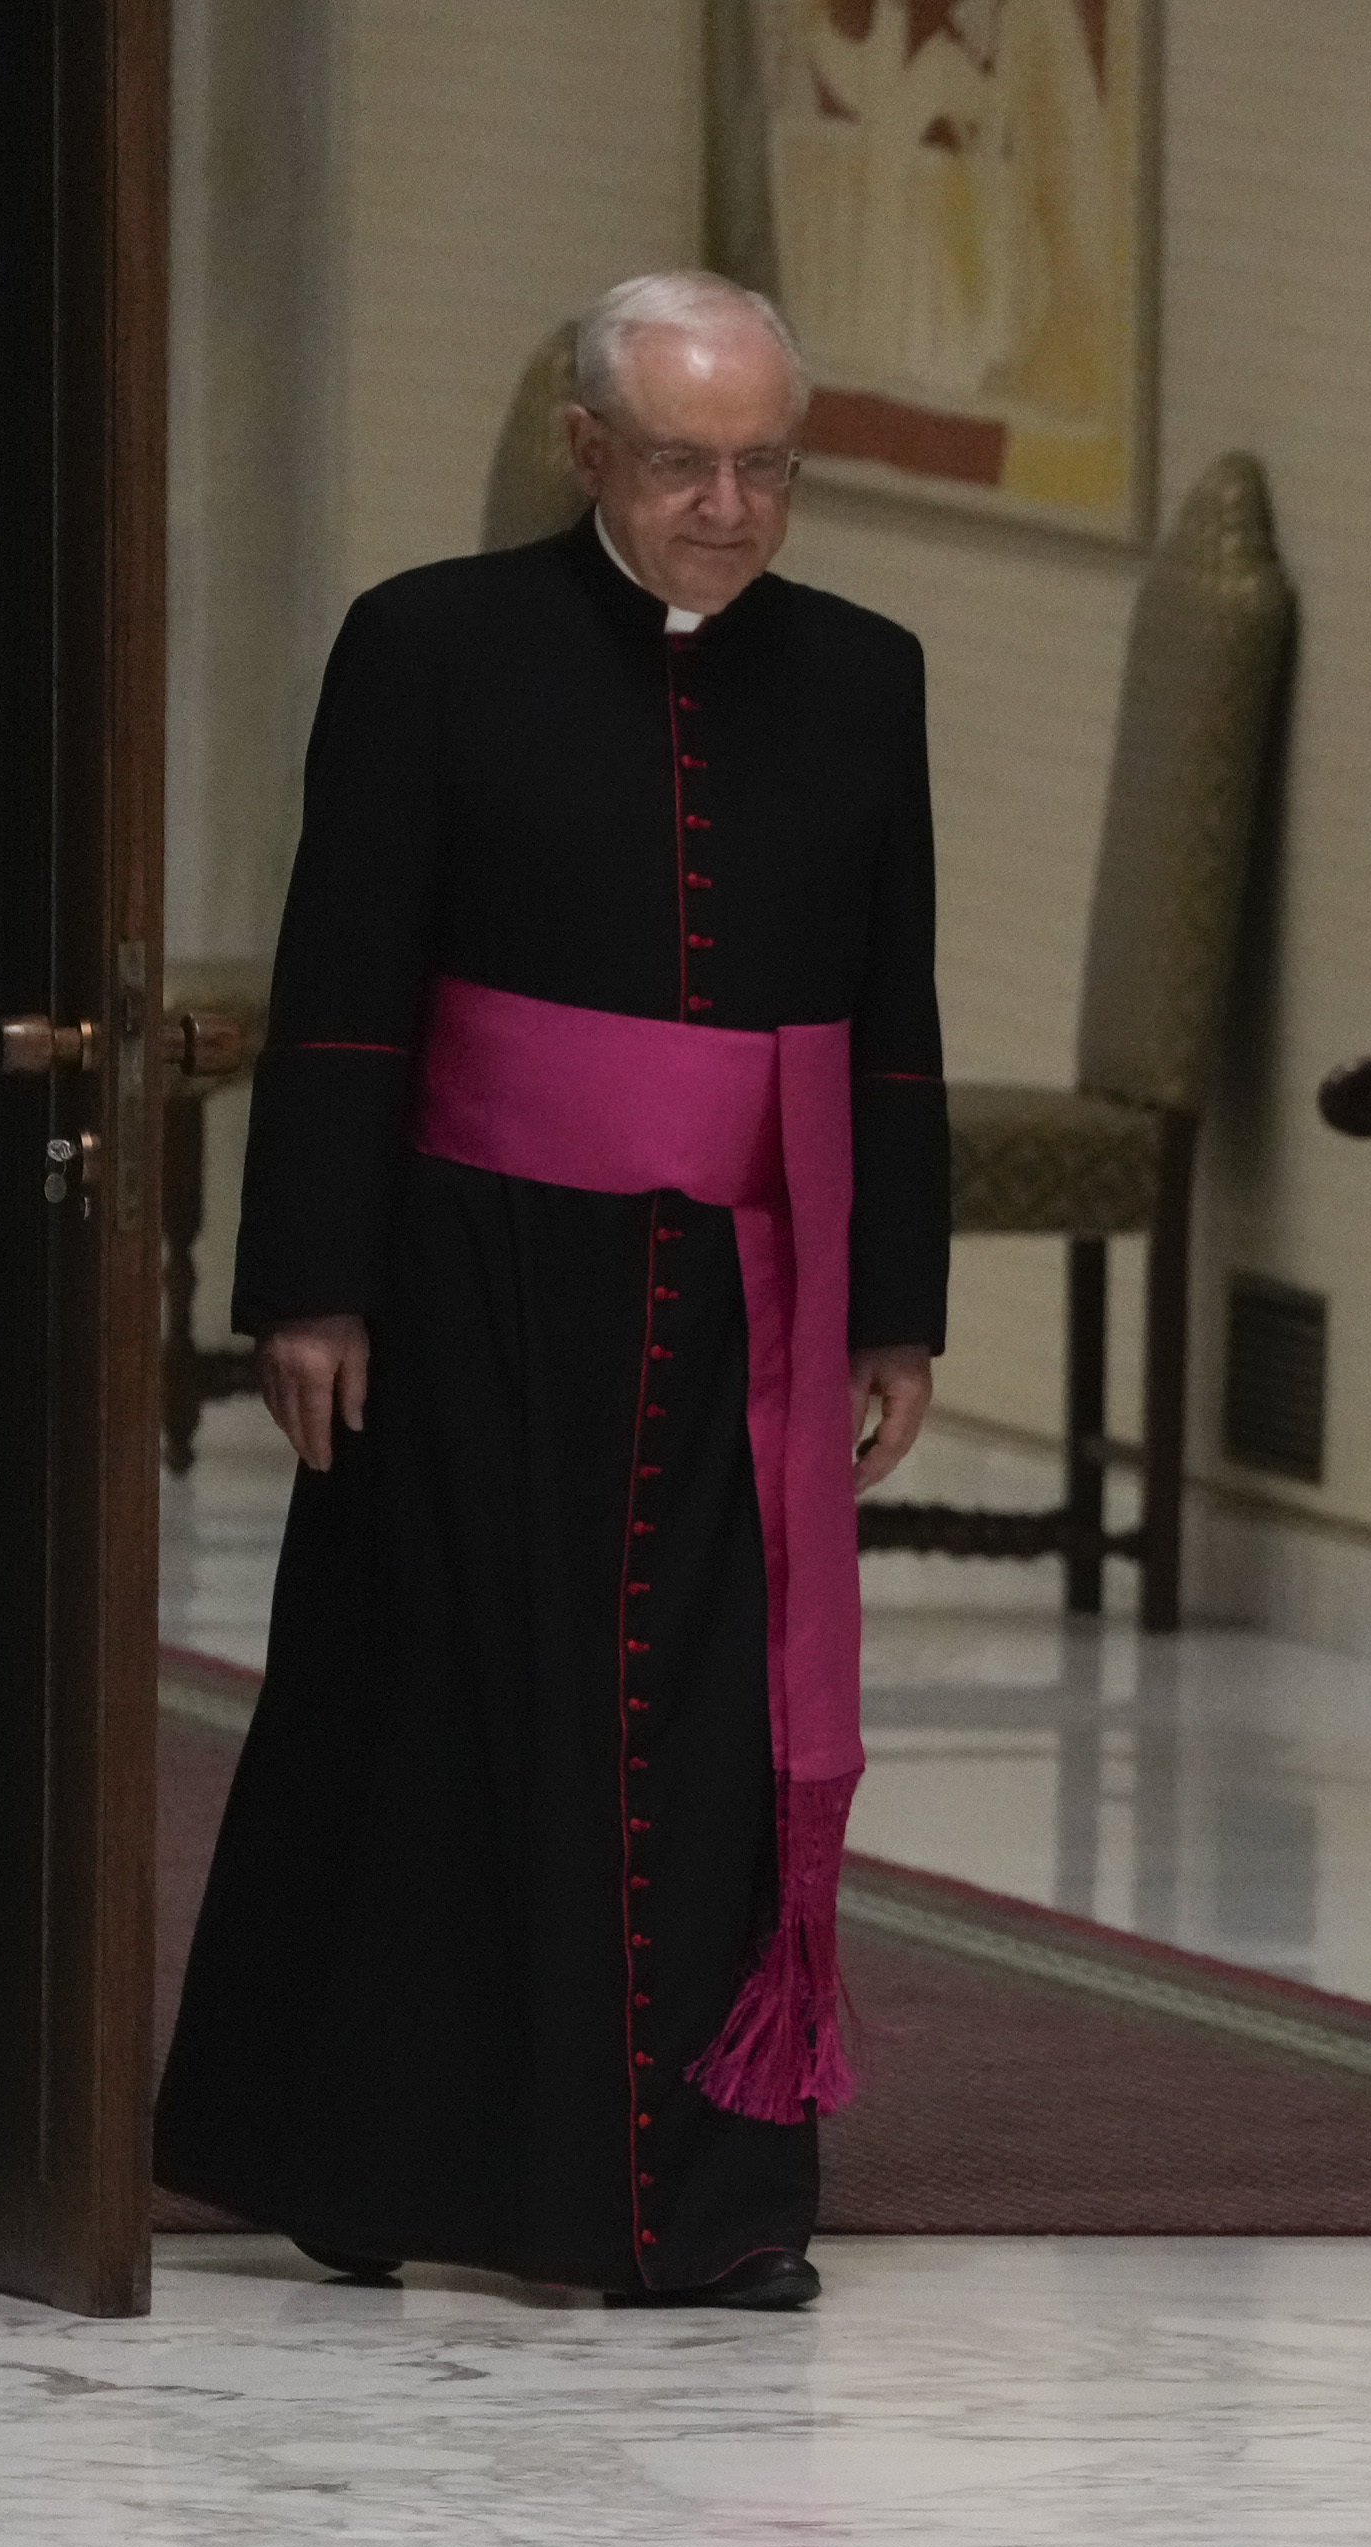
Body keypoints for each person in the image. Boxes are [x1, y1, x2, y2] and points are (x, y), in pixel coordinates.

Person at [155, 271, 947, 2312]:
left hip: (745, 1294)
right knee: (445, 1720)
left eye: (766, 465)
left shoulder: (864, 676)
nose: (727, 505)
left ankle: (714, 2198)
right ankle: (393, 2159)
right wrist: (311, 1283)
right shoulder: (431, 645)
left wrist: (893, 1300)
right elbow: (346, 985)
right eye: (682, 461)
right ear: (590, 450)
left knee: (710, 1735)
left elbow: (890, 1021)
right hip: (469, 1272)